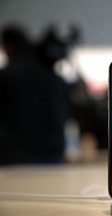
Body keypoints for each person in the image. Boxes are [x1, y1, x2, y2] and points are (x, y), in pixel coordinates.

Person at [0, 24, 71, 164]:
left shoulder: (7, 76)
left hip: (12, 155)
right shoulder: (53, 78)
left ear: (8, 46)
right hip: (51, 153)